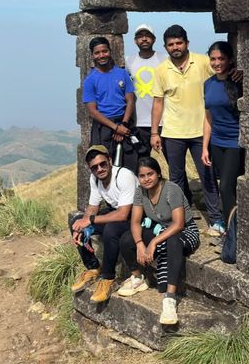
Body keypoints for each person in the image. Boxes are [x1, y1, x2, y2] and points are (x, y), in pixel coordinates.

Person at [150, 24, 225, 236]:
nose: (175, 47)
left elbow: (222, 73)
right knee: (176, 178)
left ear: (187, 43)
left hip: (201, 130)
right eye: (171, 44)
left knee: (207, 175)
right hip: (173, 132)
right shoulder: (161, 70)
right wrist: (155, 132)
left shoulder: (202, 62)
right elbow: (158, 103)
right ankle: (182, 217)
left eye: (179, 43)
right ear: (165, 47)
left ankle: (216, 219)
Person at [118, 156, 200, 325]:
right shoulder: (140, 192)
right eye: (142, 176)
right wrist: (140, 244)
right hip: (159, 229)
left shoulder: (171, 189)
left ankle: (169, 297)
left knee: (172, 242)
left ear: (159, 174)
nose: (146, 179)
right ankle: (138, 278)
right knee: (127, 238)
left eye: (150, 174)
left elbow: (178, 224)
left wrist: (153, 242)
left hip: (185, 231)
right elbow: (135, 221)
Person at [70, 145, 137, 302]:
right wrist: (82, 223)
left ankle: (108, 278)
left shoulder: (123, 176)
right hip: (117, 212)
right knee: (75, 222)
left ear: (110, 161)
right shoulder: (95, 179)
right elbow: (93, 207)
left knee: (111, 230)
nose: (99, 169)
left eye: (103, 164)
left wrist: (91, 220)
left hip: (136, 215)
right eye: (94, 167)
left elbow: (123, 214)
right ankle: (93, 268)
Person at [201, 41, 245, 225]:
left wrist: (244, 74)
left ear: (230, 60)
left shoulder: (238, 81)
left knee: (226, 186)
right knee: (226, 186)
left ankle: (232, 230)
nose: (217, 63)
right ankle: (233, 225)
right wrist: (205, 147)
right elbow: (208, 117)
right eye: (213, 59)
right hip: (217, 142)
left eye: (221, 58)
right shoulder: (208, 84)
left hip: (235, 141)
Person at [82, 37, 136, 170]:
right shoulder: (90, 80)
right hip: (103, 127)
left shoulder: (122, 74)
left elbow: (130, 100)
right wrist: (116, 128)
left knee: (129, 166)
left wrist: (122, 125)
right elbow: (93, 111)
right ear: (92, 55)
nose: (101, 55)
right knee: (102, 166)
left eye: (104, 51)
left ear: (110, 51)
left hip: (124, 121)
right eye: (97, 53)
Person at [125, 24, 166, 156]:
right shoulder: (129, 61)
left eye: (147, 36)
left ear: (154, 39)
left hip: (164, 121)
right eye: (140, 36)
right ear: (135, 40)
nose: (144, 39)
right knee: (141, 162)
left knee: (173, 161)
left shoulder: (164, 59)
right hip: (139, 122)